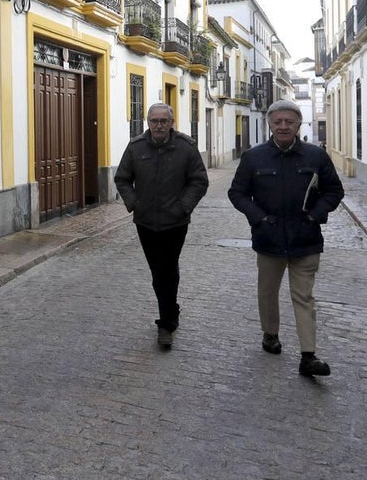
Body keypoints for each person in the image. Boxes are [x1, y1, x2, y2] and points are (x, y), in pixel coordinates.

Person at [228, 100, 344, 378]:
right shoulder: (253, 158)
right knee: (267, 293)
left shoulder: (316, 157)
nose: (283, 126)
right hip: (268, 239)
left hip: (306, 238)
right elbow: (237, 193)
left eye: (289, 122)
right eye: (278, 121)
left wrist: (314, 215)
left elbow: (334, 191)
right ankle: (270, 334)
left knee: (304, 297)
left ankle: (308, 355)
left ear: (298, 125)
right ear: (269, 124)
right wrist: (259, 218)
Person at [115, 103, 209, 350]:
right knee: (159, 271)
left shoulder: (186, 147)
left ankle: (166, 323)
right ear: (148, 122)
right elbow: (122, 178)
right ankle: (172, 309)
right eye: (154, 121)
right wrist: (135, 203)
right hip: (145, 222)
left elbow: (199, 181)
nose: (158, 125)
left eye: (163, 121)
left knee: (166, 268)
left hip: (175, 222)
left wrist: (183, 207)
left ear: (171, 122)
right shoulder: (136, 147)